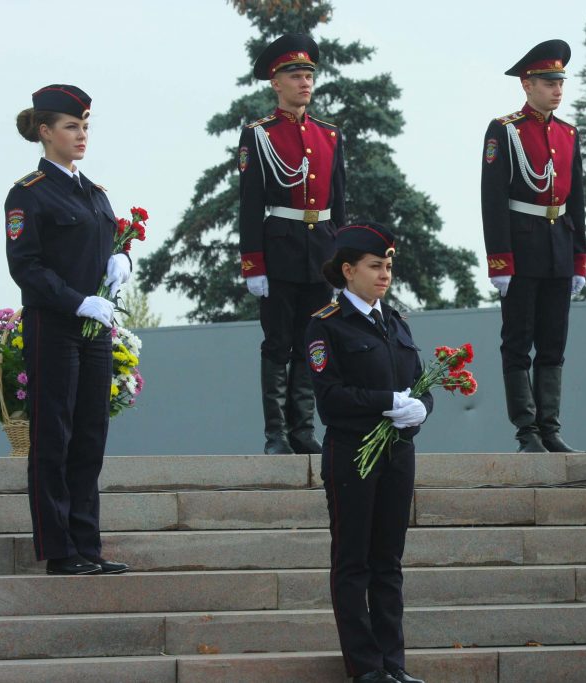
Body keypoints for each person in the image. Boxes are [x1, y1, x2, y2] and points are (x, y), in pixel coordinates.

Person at [4, 84, 130, 576]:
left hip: (94, 331)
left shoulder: (94, 192)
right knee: (54, 436)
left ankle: (87, 544)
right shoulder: (28, 193)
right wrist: (78, 300)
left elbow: (103, 244)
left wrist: (122, 258)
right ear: (45, 131)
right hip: (54, 325)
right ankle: (59, 550)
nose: (81, 135)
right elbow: (27, 266)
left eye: (85, 127)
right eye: (71, 126)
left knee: (90, 435)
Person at [306, 222, 430, 683]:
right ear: (348, 270)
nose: (385, 275)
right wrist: (387, 402)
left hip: (397, 453)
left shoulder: (395, 322)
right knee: (353, 562)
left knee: (388, 563)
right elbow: (330, 398)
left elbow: (420, 385)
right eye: (375, 266)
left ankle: (393, 664)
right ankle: (366, 667)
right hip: (352, 454)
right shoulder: (326, 324)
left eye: (388, 267)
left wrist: (421, 407)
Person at [239, 33, 347, 455]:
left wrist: (344, 262)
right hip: (279, 250)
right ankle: (276, 435)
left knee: (312, 341)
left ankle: (303, 430)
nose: (305, 83)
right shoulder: (259, 135)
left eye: (309, 76)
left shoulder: (329, 135)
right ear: (276, 83)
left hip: (321, 251)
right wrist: (253, 264)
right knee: (277, 344)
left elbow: (339, 206)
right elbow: (250, 204)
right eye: (296, 76)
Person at [481, 38, 586, 453]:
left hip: (559, 245)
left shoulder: (568, 133)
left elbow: (577, 201)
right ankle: (526, 431)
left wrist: (579, 259)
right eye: (548, 82)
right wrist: (499, 261)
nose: (557, 89)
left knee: (553, 342)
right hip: (521, 249)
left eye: (560, 82)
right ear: (527, 85)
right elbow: (493, 199)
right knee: (518, 342)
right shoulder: (505, 130)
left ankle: (550, 427)